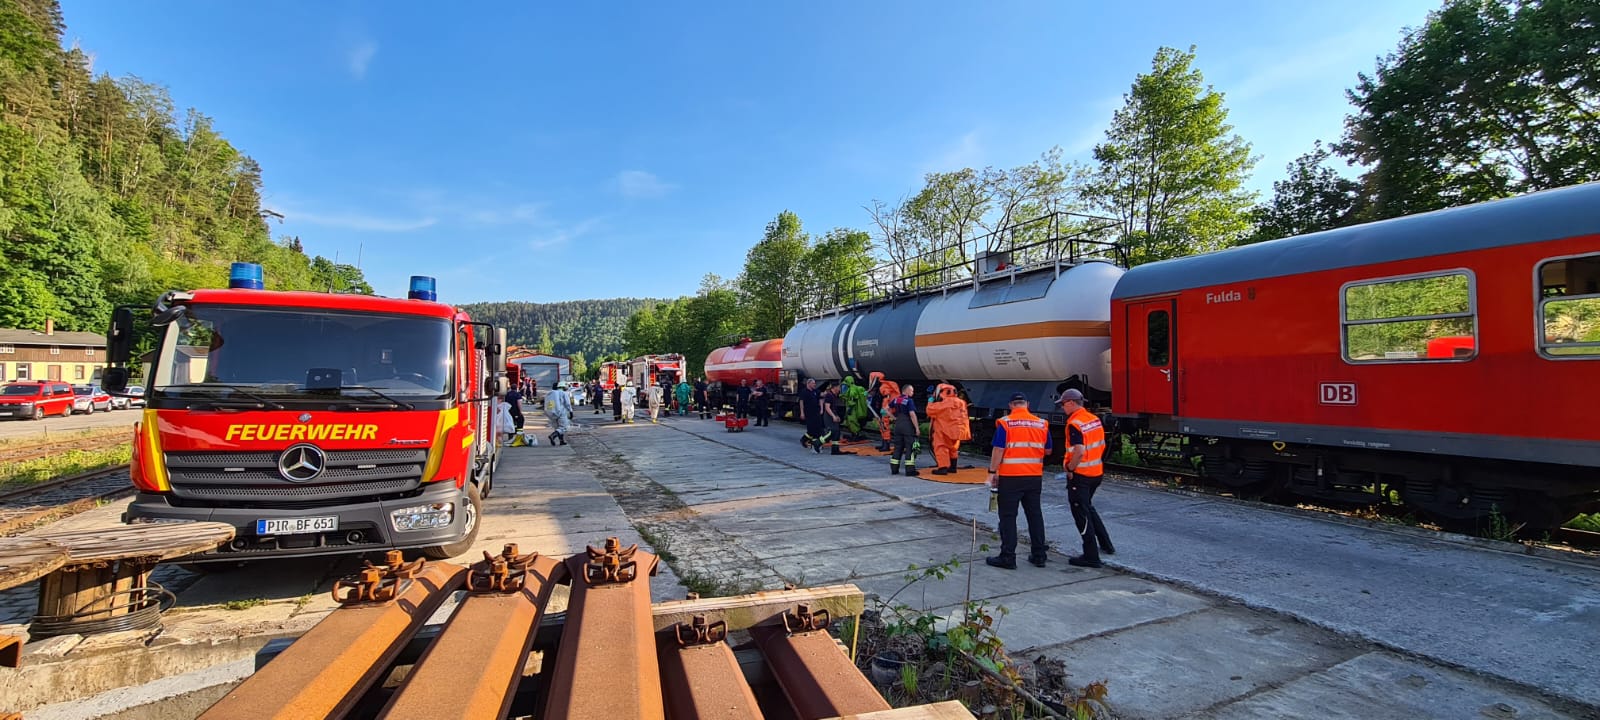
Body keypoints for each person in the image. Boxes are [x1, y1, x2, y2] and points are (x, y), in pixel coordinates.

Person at [985, 392, 1050, 569]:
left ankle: (1008, 557)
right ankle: (1039, 555)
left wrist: (992, 471)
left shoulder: (1006, 423)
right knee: (1035, 515)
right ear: (1027, 404)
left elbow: (998, 449)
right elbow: (1048, 450)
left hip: (1011, 477)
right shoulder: (1041, 423)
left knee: (1008, 517)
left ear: (1011, 405)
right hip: (1034, 477)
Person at [1058, 389, 1113, 567]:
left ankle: (1091, 556)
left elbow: (1080, 450)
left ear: (1071, 403)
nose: (1062, 408)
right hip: (1096, 472)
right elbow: (1101, 444)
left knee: (1081, 514)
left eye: (1063, 404)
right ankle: (1106, 544)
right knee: (1088, 507)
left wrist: (1070, 467)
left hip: (1081, 475)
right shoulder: (1093, 419)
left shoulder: (1075, 423)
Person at [926, 384, 970, 475]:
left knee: (940, 447)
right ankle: (953, 467)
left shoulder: (943, 404)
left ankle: (943, 468)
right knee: (953, 448)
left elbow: (929, 410)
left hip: (944, 431)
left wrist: (930, 401)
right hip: (957, 431)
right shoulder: (962, 403)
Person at [888, 385, 919, 476]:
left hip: (898, 426)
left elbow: (885, 408)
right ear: (906, 391)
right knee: (910, 448)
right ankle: (910, 471)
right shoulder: (909, 401)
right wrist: (917, 428)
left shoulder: (896, 400)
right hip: (907, 426)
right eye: (911, 391)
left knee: (898, 447)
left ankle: (894, 469)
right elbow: (912, 414)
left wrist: (894, 418)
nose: (913, 393)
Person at [798, 378, 823, 449]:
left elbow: (821, 397)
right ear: (808, 384)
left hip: (816, 412)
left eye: (815, 383)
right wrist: (802, 413)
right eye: (813, 383)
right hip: (808, 413)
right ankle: (804, 439)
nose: (814, 384)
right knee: (811, 429)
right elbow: (801, 402)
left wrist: (821, 409)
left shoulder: (815, 391)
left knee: (818, 428)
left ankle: (815, 443)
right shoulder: (804, 392)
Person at [821, 382, 845, 455]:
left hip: (832, 415)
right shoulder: (829, 395)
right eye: (839, 387)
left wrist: (836, 416)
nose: (840, 389)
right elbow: (827, 407)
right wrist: (833, 416)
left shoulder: (834, 395)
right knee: (832, 432)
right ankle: (817, 443)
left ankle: (835, 450)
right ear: (834, 387)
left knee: (837, 432)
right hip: (829, 416)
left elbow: (833, 408)